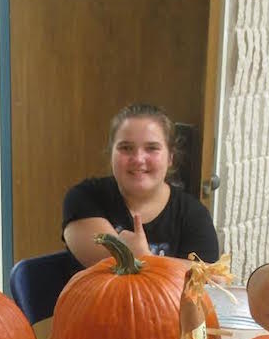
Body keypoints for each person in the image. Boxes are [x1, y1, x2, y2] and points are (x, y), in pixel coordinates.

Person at [62, 103, 219, 267]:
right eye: (126, 148)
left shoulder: (194, 215)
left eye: (152, 148)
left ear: (170, 157)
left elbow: (209, 277)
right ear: (111, 154)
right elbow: (115, 265)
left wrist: (142, 257)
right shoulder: (84, 197)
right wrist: (146, 259)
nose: (138, 159)